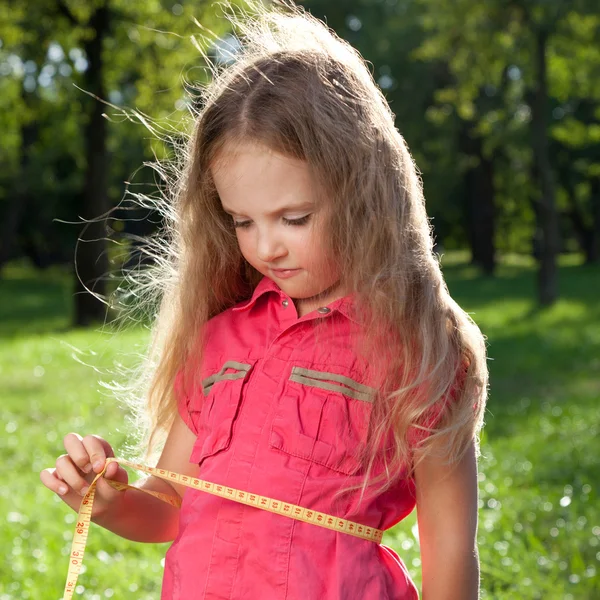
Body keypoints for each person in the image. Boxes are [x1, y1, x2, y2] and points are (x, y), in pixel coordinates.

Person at [40, 2, 488, 598]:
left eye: (294, 218)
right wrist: (108, 500)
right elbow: (173, 504)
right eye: (242, 221)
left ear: (363, 194)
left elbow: (452, 551)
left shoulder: (419, 349)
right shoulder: (222, 340)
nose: (267, 247)